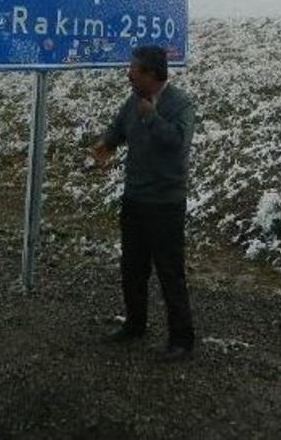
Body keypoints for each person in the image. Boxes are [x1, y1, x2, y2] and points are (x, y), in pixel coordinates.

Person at [91, 45, 196, 362]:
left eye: (134, 70)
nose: (128, 74)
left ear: (151, 74)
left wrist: (151, 117)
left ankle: (181, 340)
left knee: (169, 272)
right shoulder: (133, 101)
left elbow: (177, 144)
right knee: (132, 268)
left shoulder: (180, 104)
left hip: (165, 204)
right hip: (134, 199)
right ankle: (135, 325)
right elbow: (120, 126)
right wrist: (105, 145)